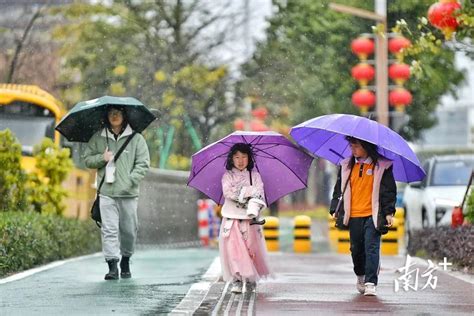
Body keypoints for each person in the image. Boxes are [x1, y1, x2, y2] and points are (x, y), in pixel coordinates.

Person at [83, 105, 150, 280]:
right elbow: (87, 159)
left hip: (128, 194)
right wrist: (102, 158)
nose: (114, 116)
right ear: (107, 116)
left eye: (118, 112)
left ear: (124, 115)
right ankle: (112, 265)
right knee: (109, 229)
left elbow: (143, 163)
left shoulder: (136, 139)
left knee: (129, 230)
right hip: (106, 192)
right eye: (111, 113)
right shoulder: (98, 138)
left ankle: (126, 259)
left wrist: (130, 180)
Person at [329, 136, 396, 296]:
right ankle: (360, 275)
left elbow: (388, 191)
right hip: (353, 215)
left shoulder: (382, 167)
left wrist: (388, 212)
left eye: (356, 146)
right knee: (356, 249)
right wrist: (334, 208)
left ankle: (371, 282)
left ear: (366, 146)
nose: (353, 149)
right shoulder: (346, 166)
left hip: (373, 215)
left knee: (371, 248)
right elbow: (339, 190)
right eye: (351, 146)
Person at [219, 143, 271, 293]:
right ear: (231, 159)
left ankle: (249, 280)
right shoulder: (227, 175)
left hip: (251, 220)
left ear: (249, 158)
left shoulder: (255, 176)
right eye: (236, 157)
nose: (240, 160)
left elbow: (259, 192)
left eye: (244, 157)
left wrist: (247, 193)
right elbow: (228, 192)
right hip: (231, 218)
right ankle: (236, 279)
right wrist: (247, 192)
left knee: (251, 249)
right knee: (233, 249)